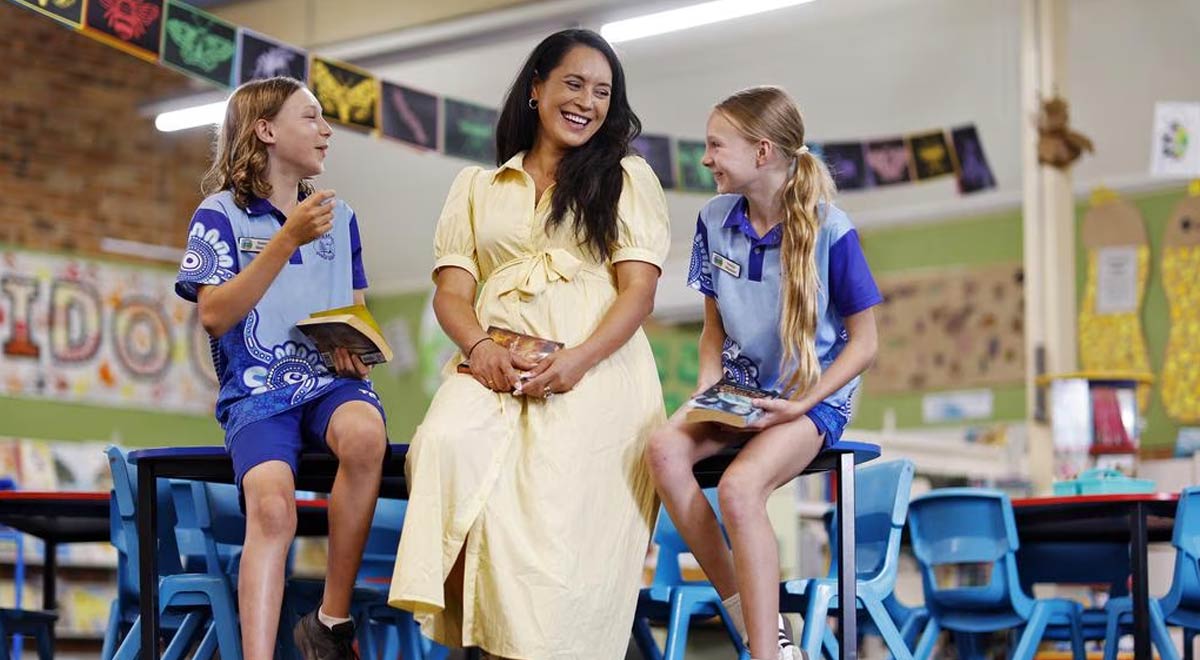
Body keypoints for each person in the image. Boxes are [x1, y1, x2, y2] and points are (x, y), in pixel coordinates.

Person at [387, 29, 670, 659]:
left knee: (544, 504)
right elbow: (451, 294)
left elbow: (638, 293)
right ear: (537, 87)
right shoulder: (477, 187)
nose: (587, 102)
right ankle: (479, 641)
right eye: (573, 84)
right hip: (494, 361)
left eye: (603, 92)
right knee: (441, 445)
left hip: (597, 367)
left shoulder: (625, 176)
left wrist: (577, 361)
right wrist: (480, 348)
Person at [644, 86, 882, 660]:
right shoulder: (712, 219)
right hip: (740, 390)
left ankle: (767, 653)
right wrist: (706, 387)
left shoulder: (832, 229)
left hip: (812, 397)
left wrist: (802, 405)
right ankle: (760, 625)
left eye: (715, 146)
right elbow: (713, 329)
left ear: (762, 151)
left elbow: (866, 343)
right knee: (662, 451)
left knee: (740, 488)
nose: (705, 159)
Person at [174, 76, 387, 660]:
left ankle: (331, 620)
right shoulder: (218, 215)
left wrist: (355, 349)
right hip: (256, 393)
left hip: (327, 385)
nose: (326, 130)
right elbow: (214, 315)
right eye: (311, 117)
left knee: (367, 438)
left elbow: (355, 312)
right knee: (271, 509)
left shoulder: (340, 219)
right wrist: (284, 239)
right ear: (267, 131)